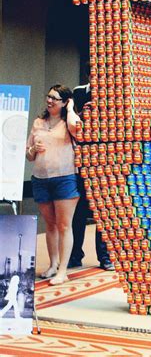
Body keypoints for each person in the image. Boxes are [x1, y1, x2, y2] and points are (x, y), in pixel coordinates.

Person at [26, 85, 81, 285]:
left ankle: (63, 271)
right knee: (50, 224)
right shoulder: (38, 122)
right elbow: (29, 155)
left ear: (64, 102)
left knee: (64, 225)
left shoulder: (69, 123)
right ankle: (53, 264)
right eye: (49, 96)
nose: (49, 101)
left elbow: (78, 127)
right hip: (40, 178)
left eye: (55, 99)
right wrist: (33, 148)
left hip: (65, 177)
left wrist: (71, 107)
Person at [68, 78, 114, 271]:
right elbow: (68, 121)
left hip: (103, 161)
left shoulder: (113, 95)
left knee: (103, 212)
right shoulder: (78, 92)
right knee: (77, 212)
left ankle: (105, 257)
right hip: (81, 159)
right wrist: (80, 113)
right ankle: (75, 254)